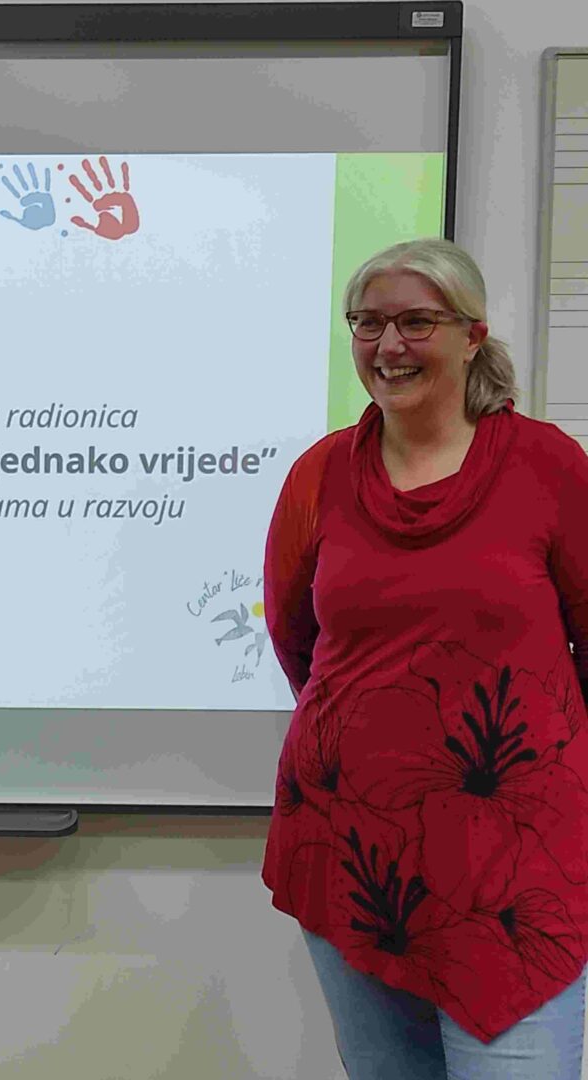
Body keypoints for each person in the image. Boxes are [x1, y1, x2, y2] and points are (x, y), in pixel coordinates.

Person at [262, 236, 588, 1078]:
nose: (387, 345)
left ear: (471, 335)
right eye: (366, 323)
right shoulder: (318, 474)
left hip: (515, 859)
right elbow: (298, 643)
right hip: (352, 845)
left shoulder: (547, 465)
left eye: (415, 322)